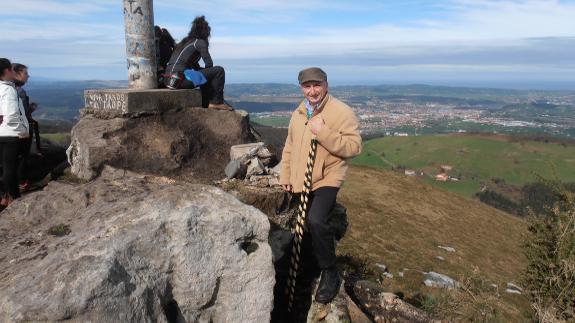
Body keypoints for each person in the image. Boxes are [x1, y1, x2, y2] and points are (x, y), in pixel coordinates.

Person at [280, 67, 362, 304]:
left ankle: (330, 272)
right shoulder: (298, 112)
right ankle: (308, 265)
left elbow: (354, 147)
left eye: (317, 85)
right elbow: (290, 146)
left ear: (326, 84)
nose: (312, 91)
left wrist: (323, 131)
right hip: (301, 178)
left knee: (316, 219)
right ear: (301, 88)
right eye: (307, 86)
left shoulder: (341, 111)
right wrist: (286, 175)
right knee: (301, 225)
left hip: (328, 176)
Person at [164, 16, 231, 110]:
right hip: (181, 80)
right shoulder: (199, 42)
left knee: (202, 74)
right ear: (206, 32)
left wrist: (201, 71)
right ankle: (216, 102)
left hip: (168, 80)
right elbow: (209, 64)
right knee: (219, 71)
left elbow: (191, 66)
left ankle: (205, 102)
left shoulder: (184, 43)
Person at [0, 58, 29, 207]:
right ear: (7, 71)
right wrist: (21, 130)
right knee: (10, 168)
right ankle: (14, 198)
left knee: (3, 166)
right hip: (10, 134)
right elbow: (11, 113)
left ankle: (4, 196)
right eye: (11, 69)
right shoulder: (8, 89)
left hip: (1, 132)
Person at [12, 63, 41, 192]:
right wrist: (30, 110)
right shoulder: (20, 91)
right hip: (21, 129)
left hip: (7, 130)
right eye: (25, 73)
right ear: (16, 74)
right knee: (22, 157)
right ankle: (22, 183)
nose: (28, 76)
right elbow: (22, 114)